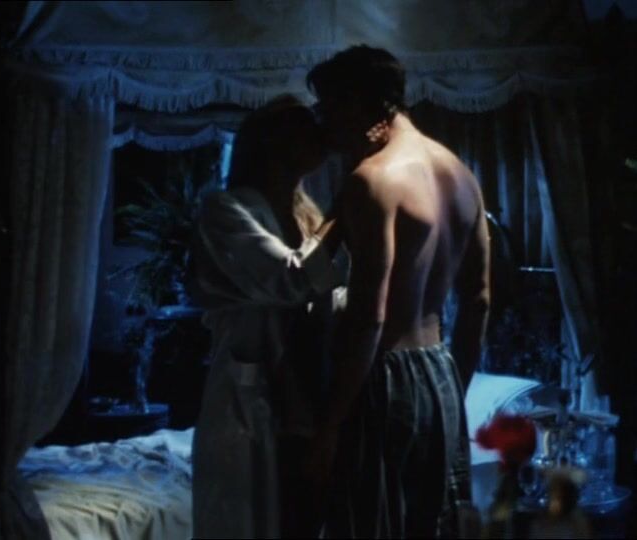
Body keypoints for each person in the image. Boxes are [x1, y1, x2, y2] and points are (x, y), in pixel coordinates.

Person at [306, 45, 491, 538]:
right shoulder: (462, 175)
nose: (325, 123)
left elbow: (370, 316)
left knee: (370, 523)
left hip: (382, 377)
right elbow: (478, 300)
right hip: (440, 371)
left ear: (357, 103)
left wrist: (330, 426)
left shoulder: (372, 180)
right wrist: (453, 389)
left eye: (328, 107)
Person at [189, 94, 345, 539]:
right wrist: (343, 215)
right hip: (250, 406)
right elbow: (290, 281)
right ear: (273, 144)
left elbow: (328, 297)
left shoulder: (307, 213)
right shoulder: (225, 211)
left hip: (308, 401)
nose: (318, 136)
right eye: (304, 128)